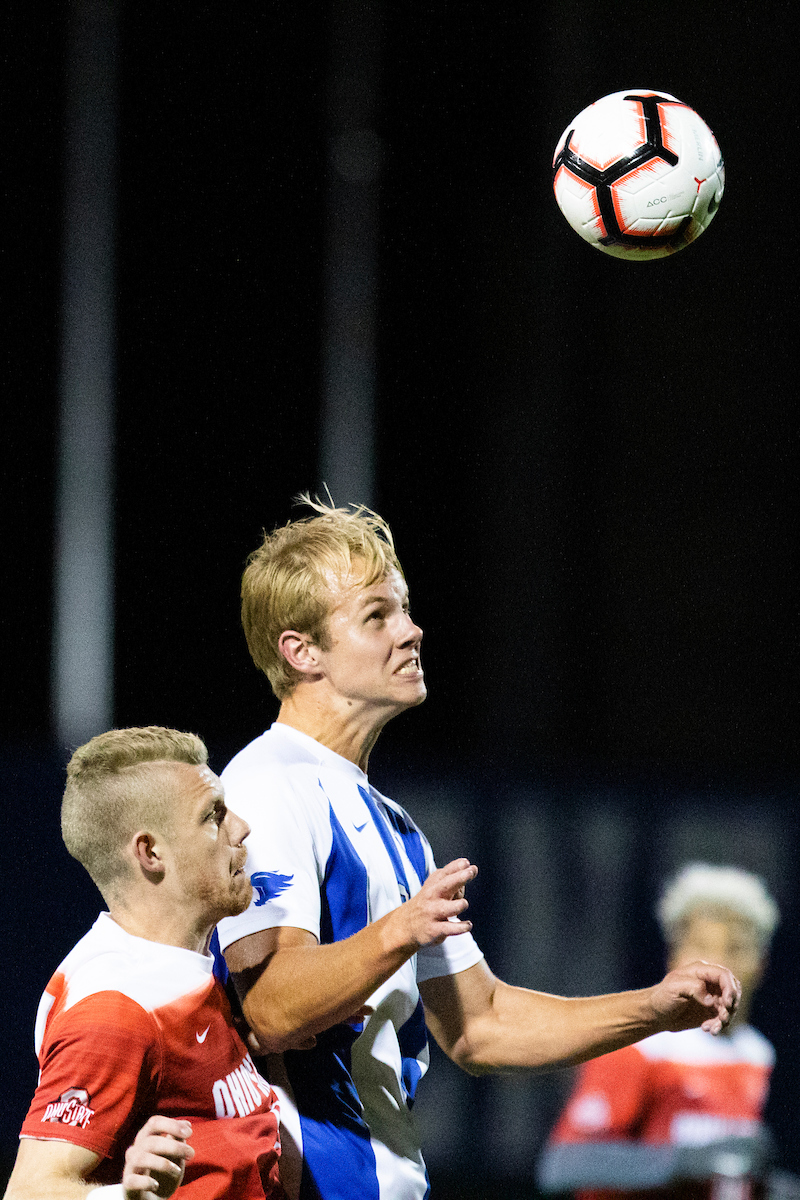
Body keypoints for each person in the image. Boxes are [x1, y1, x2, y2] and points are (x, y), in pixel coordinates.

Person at [215, 496, 741, 1200]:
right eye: (378, 616)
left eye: (404, 609)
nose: (412, 630)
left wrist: (655, 1010)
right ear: (301, 651)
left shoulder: (397, 826)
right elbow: (271, 1008)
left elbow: (481, 1026)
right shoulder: (268, 783)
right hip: (310, 1182)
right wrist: (398, 932)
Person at [3, 726, 284, 1200]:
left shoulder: (182, 959)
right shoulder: (115, 1012)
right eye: (213, 816)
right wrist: (122, 1197)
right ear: (151, 853)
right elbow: (30, 1190)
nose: (241, 827)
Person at [538, 862, 780, 1199]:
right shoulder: (640, 1046)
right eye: (701, 946)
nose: (717, 964)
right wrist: (686, 1161)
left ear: (762, 963)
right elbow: (564, 1165)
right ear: (674, 957)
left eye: (736, 948)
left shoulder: (757, 1055)